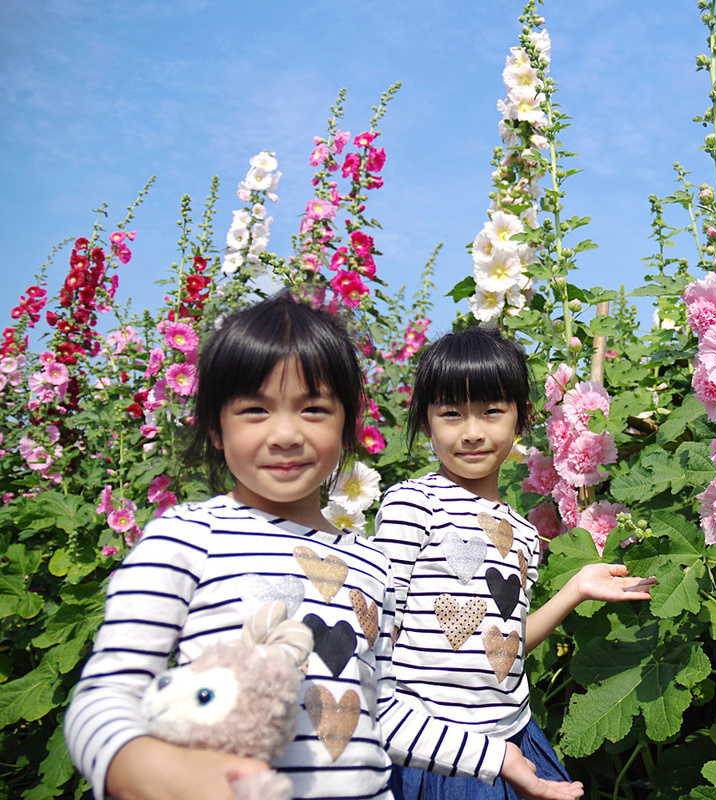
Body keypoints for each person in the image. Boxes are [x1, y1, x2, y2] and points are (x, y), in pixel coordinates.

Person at [64, 293, 583, 800]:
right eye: (253, 410)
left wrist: (499, 758)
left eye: (313, 409)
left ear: (347, 426)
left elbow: (380, 707)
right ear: (215, 427)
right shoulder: (184, 539)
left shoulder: (367, 563)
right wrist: (156, 775)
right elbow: (105, 698)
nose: (286, 434)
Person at [372, 326, 656, 800]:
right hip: (440, 748)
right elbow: (379, 629)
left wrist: (576, 589)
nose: (472, 432)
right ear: (425, 423)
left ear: (521, 420)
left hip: (513, 733)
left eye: (491, 411)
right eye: (451, 414)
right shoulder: (412, 504)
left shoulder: (523, 533)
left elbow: (507, 644)